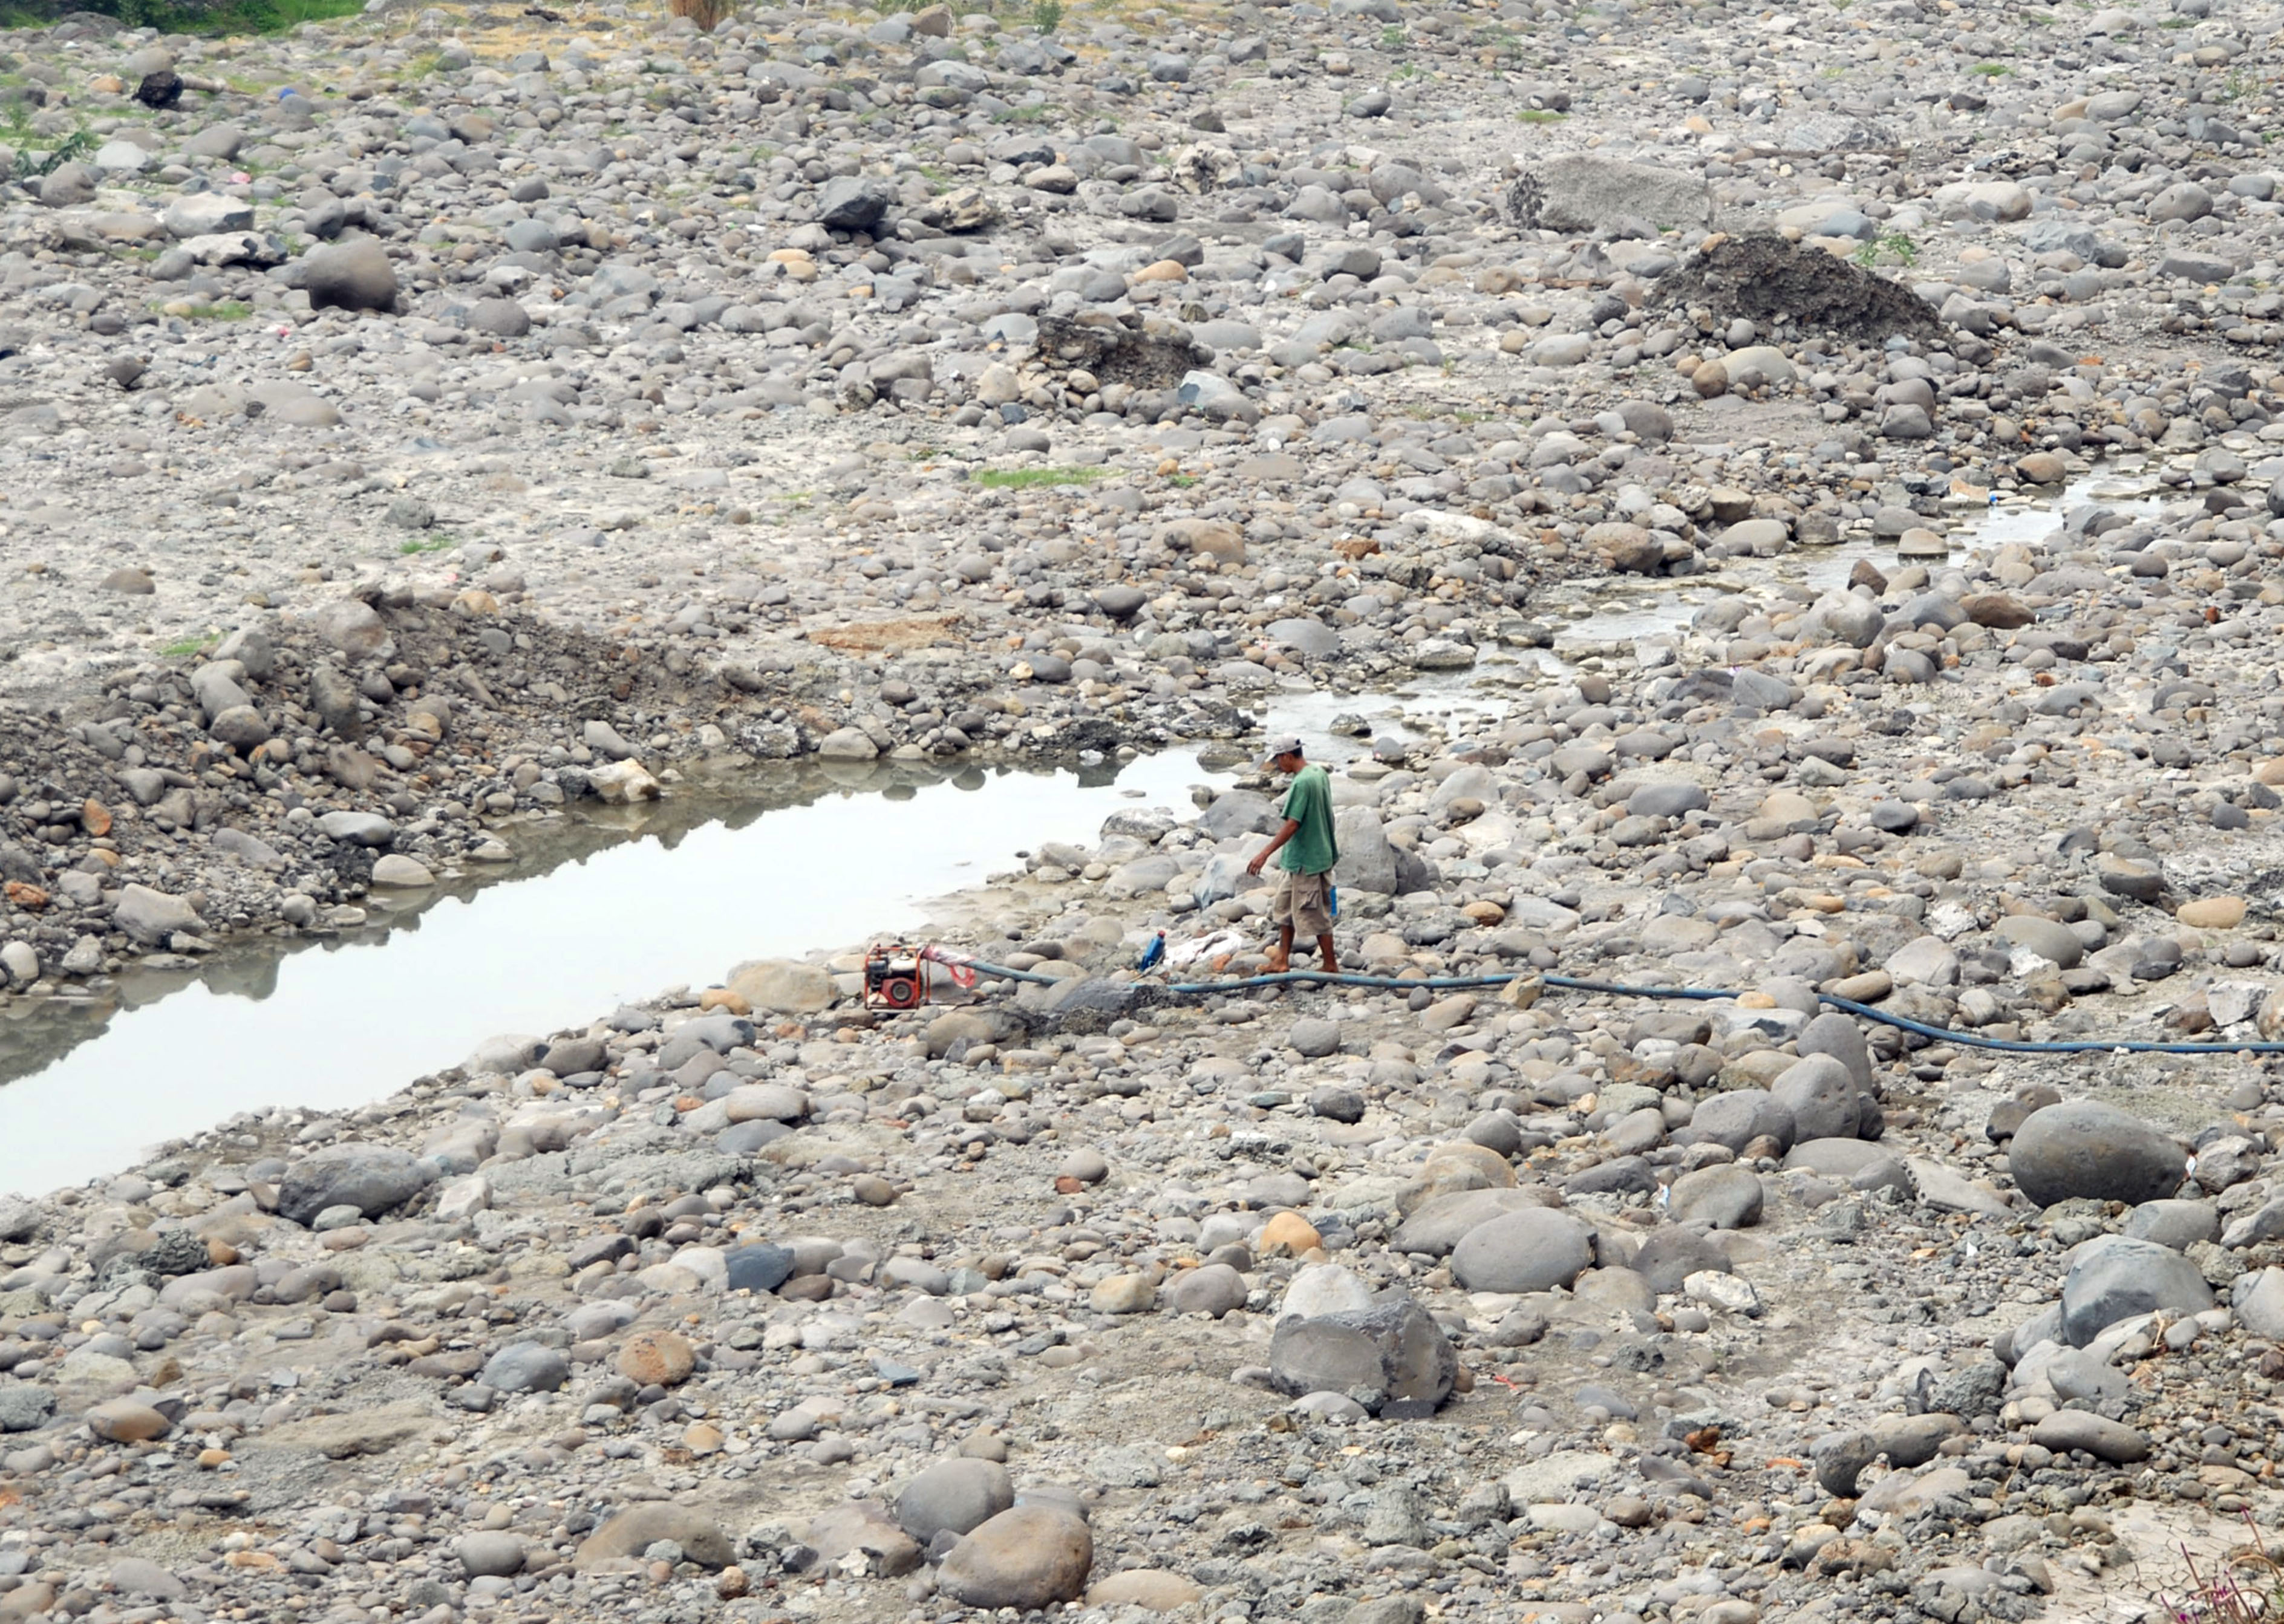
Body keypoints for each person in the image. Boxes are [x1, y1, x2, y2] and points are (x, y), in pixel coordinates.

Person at [1246, 734, 1340, 974]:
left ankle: (1330, 965)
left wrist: (1264, 854)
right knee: (1285, 909)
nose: (1278, 766)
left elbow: (1292, 824)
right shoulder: (1318, 773)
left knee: (1315, 912)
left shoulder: (1302, 783)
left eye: (1279, 761)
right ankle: (1282, 960)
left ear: (1288, 756)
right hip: (1301, 858)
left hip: (1310, 861)